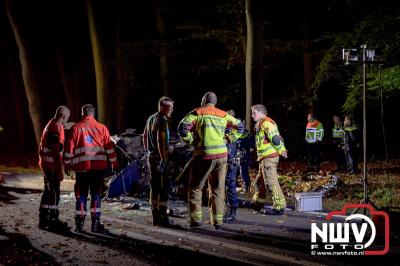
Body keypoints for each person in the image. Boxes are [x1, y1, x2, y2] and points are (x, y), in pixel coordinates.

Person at [178, 92, 244, 230]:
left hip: (203, 156)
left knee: (195, 188)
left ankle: (195, 221)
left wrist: (192, 142)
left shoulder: (197, 113)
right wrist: (228, 139)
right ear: (215, 102)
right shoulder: (223, 114)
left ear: (203, 100)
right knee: (218, 189)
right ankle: (218, 222)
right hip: (221, 156)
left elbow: (182, 128)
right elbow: (240, 127)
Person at [64, 104, 118, 233]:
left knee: (81, 195)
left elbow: (69, 149)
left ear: (83, 114)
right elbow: (109, 148)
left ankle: (79, 225)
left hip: (82, 168)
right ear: (93, 114)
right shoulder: (102, 128)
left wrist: (66, 164)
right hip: (98, 168)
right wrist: (114, 164)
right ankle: (95, 224)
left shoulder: (76, 128)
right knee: (96, 195)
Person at [143, 96, 174, 227]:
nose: (172, 110)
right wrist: (163, 157)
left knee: (154, 186)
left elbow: (144, 135)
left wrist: (147, 151)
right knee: (164, 187)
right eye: (170, 107)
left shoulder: (150, 118)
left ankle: (155, 215)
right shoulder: (162, 119)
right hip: (160, 158)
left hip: (151, 157)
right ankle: (162, 216)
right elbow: (160, 140)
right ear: (163, 107)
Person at [251, 104, 287, 215]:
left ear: (261, 113)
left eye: (254, 113)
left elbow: (275, 138)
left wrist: (282, 150)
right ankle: (258, 203)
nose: (252, 115)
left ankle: (279, 206)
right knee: (259, 182)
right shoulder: (261, 123)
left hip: (269, 157)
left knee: (271, 181)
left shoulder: (266, 122)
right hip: (264, 158)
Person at [38, 106, 70, 230]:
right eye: (67, 117)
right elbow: (56, 153)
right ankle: (53, 219)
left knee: (48, 191)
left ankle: (44, 219)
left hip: (47, 164)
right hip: (51, 165)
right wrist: (59, 170)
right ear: (63, 116)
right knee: (54, 193)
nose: (68, 119)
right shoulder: (53, 129)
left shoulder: (54, 126)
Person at [223, 109, 241, 222]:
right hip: (228, 161)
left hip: (230, 162)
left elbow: (232, 146)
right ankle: (229, 210)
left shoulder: (231, 130)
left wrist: (232, 158)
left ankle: (232, 211)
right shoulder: (235, 129)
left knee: (230, 186)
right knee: (226, 186)